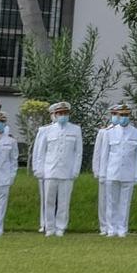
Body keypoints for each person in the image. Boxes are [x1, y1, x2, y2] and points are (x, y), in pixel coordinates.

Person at [30, 101, 83, 237]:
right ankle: (49, 227)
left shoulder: (75, 129)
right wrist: (38, 169)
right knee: (49, 200)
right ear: (54, 115)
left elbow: (78, 152)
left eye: (65, 113)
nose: (63, 116)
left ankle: (61, 227)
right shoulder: (46, 130)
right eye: (60, 113)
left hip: (67, 171)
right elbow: (40, 152)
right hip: (50, 170)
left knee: (64, 202)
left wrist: (75, 170)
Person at [92, 103, 137, 238]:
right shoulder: (109, 132)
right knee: (111, 202)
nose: (123, 118)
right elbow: (104, 155)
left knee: (125, 202)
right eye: (121, 115)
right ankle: (111, 228)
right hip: (112, 171)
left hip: (128, 172)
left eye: (126, 115)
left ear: (129, 116)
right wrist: (102, 173)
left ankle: (122, 228)